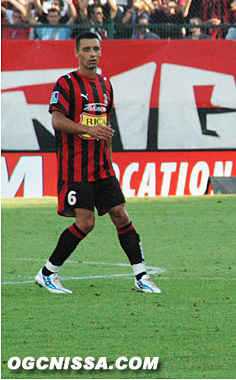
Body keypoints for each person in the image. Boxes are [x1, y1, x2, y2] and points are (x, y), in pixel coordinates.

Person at [34, 32, 160, 295]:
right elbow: (57, 121)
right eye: (87, 49)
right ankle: (47, 273)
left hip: (103, 167)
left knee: (120, 215)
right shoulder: (66, 84)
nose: (92, 54)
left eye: (96, 49)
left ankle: (141, 275)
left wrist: (109, 158)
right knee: (85, 222)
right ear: (77, 53)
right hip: (76, 167)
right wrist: (88, 129)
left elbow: (105, 126)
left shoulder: (105, 85)